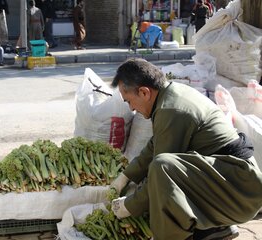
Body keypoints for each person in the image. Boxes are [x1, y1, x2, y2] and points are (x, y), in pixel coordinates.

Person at [110, 58, 262, 240]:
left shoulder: (172, 110)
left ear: (144, 92)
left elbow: (160, 176)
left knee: (162, 168)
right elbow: (155, 144)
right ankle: (213, 229)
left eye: (129, 101)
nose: (132, 108)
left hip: (239, 192)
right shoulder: (170, 95)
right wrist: (126, 176)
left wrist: (129, 205)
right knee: (164, 168)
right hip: (233, 182)